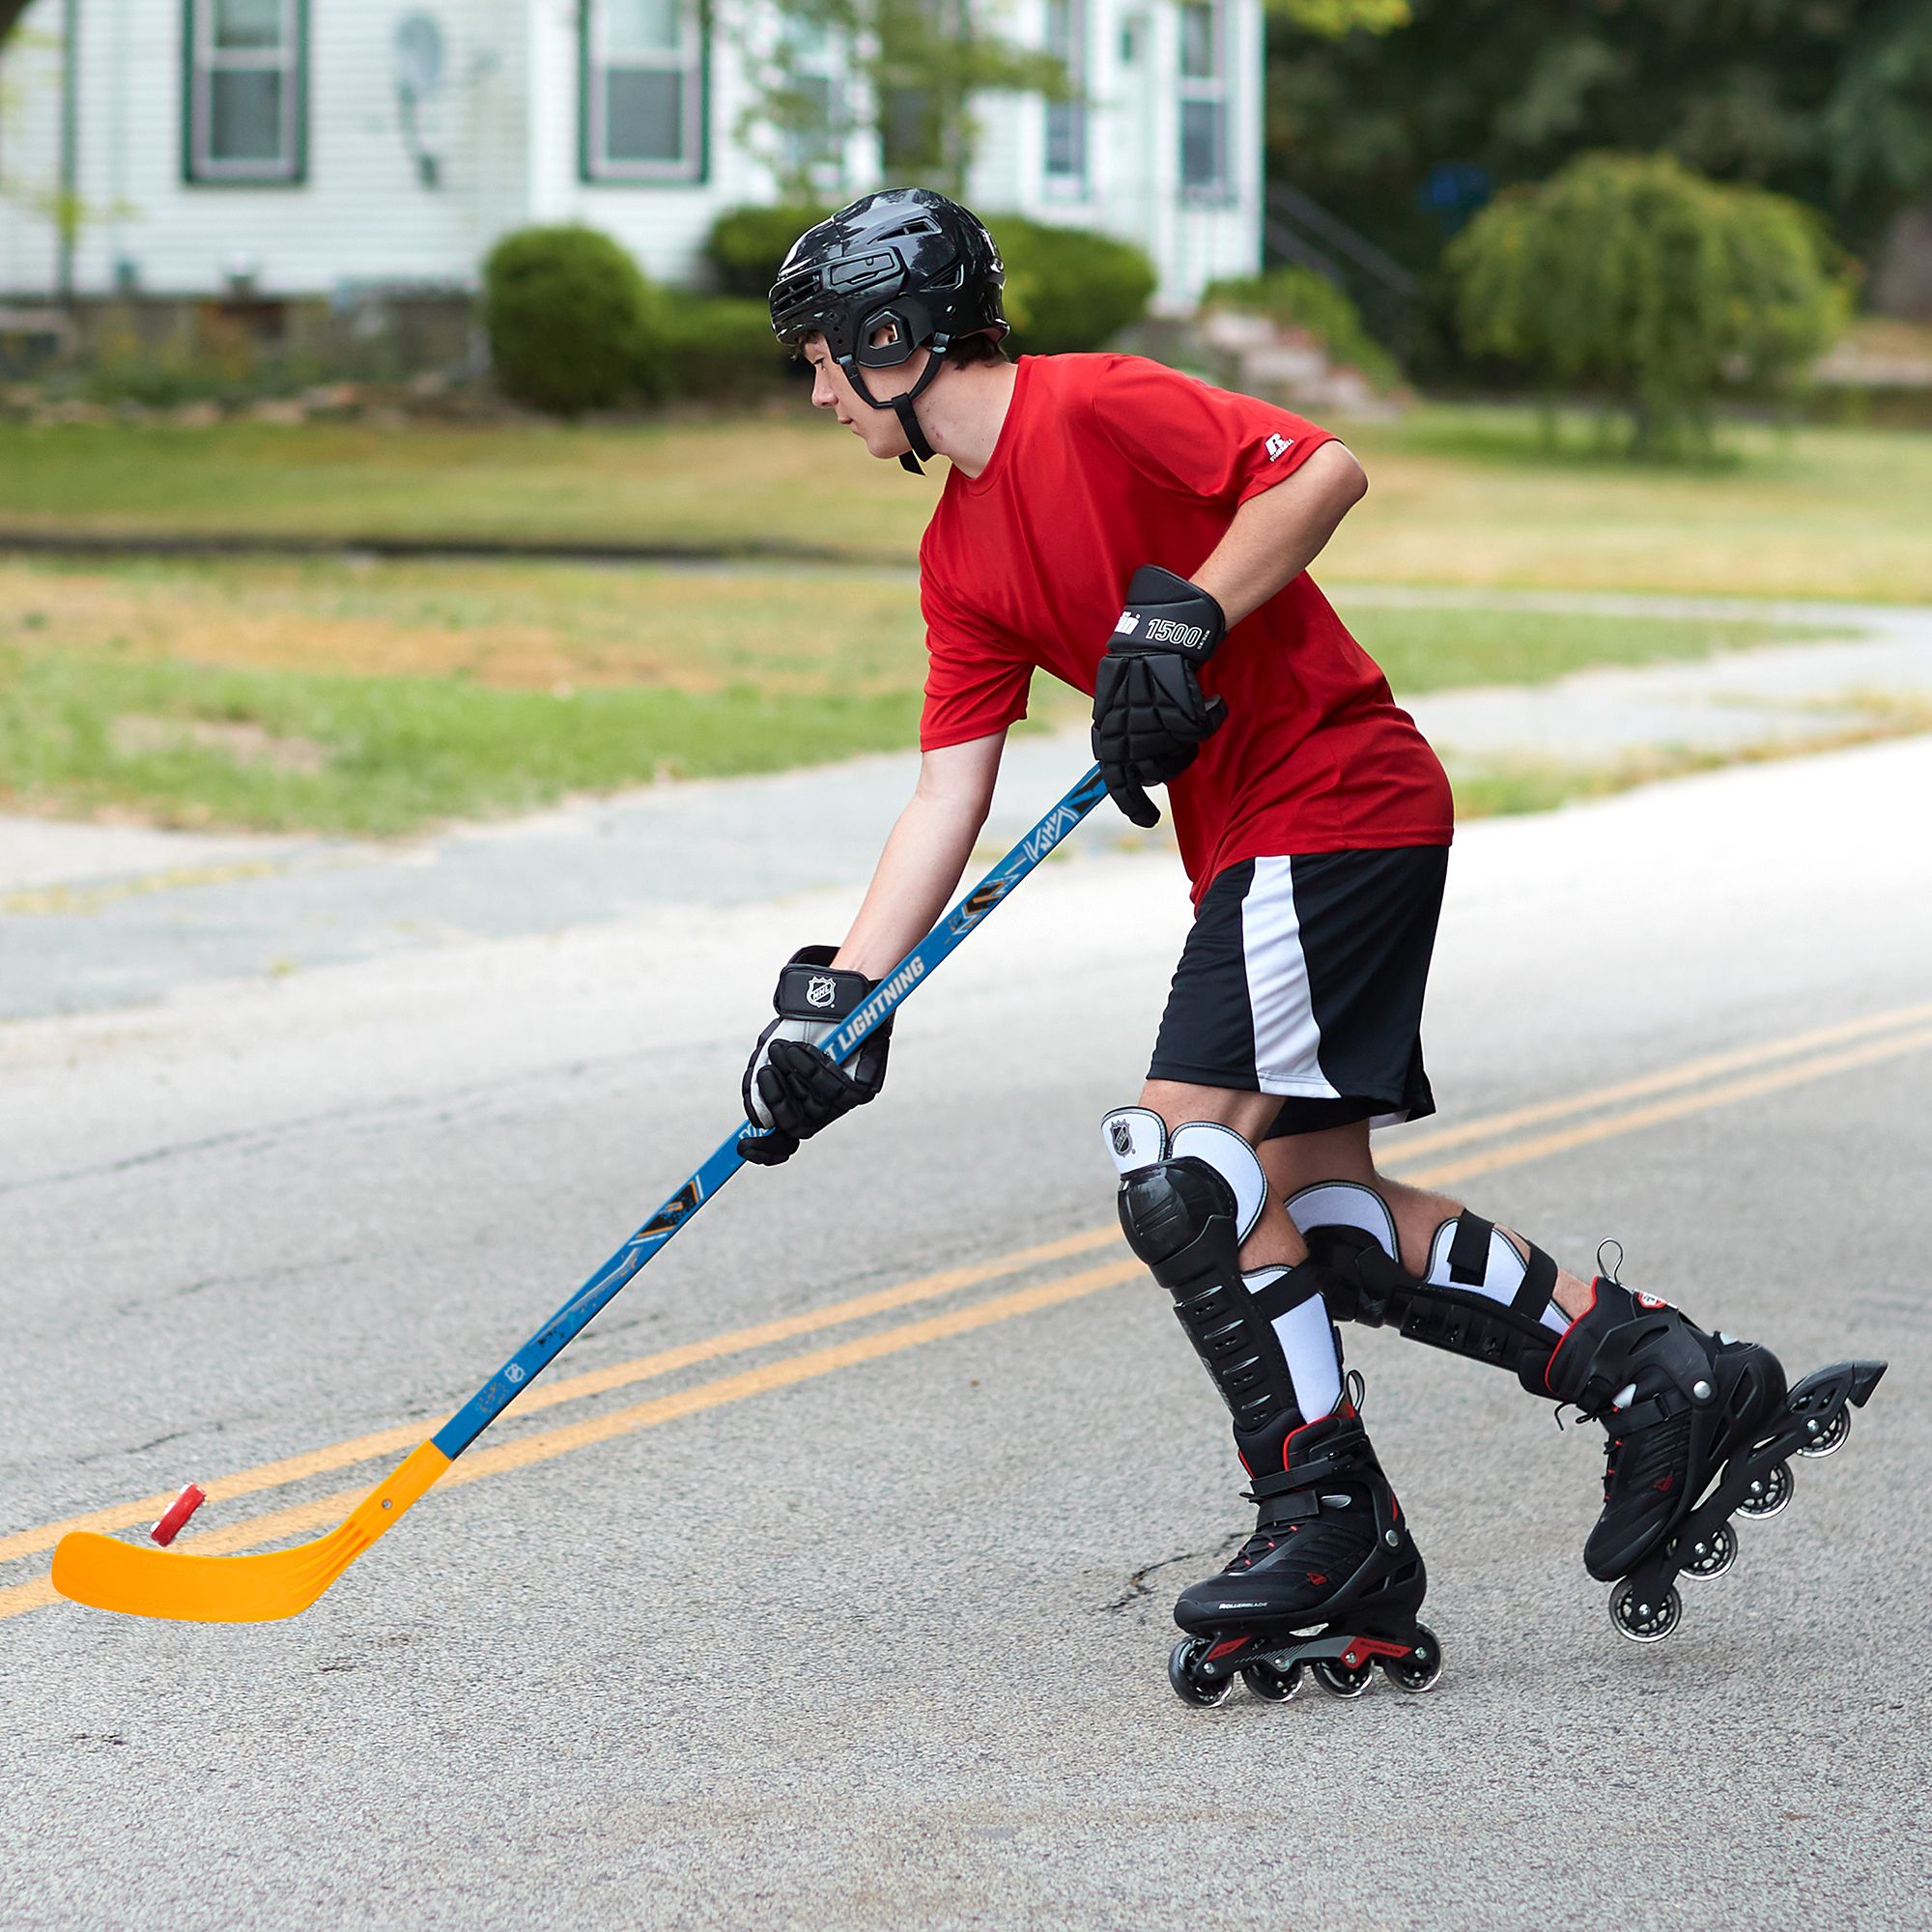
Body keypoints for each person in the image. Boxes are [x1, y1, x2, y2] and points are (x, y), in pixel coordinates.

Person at [737, 186, 1883, 1701]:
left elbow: (1320, 470)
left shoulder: (1096, 408)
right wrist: (839, 999)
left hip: (1336, 802)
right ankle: (1662, 1378)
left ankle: (1325, 1519)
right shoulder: (960, 557)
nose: (819, 393)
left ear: (894, 336)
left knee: (1179, 1167)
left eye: (823, 357)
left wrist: (1182, 619)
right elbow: (952, 789)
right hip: (1279, 845)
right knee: (1308, 1210)